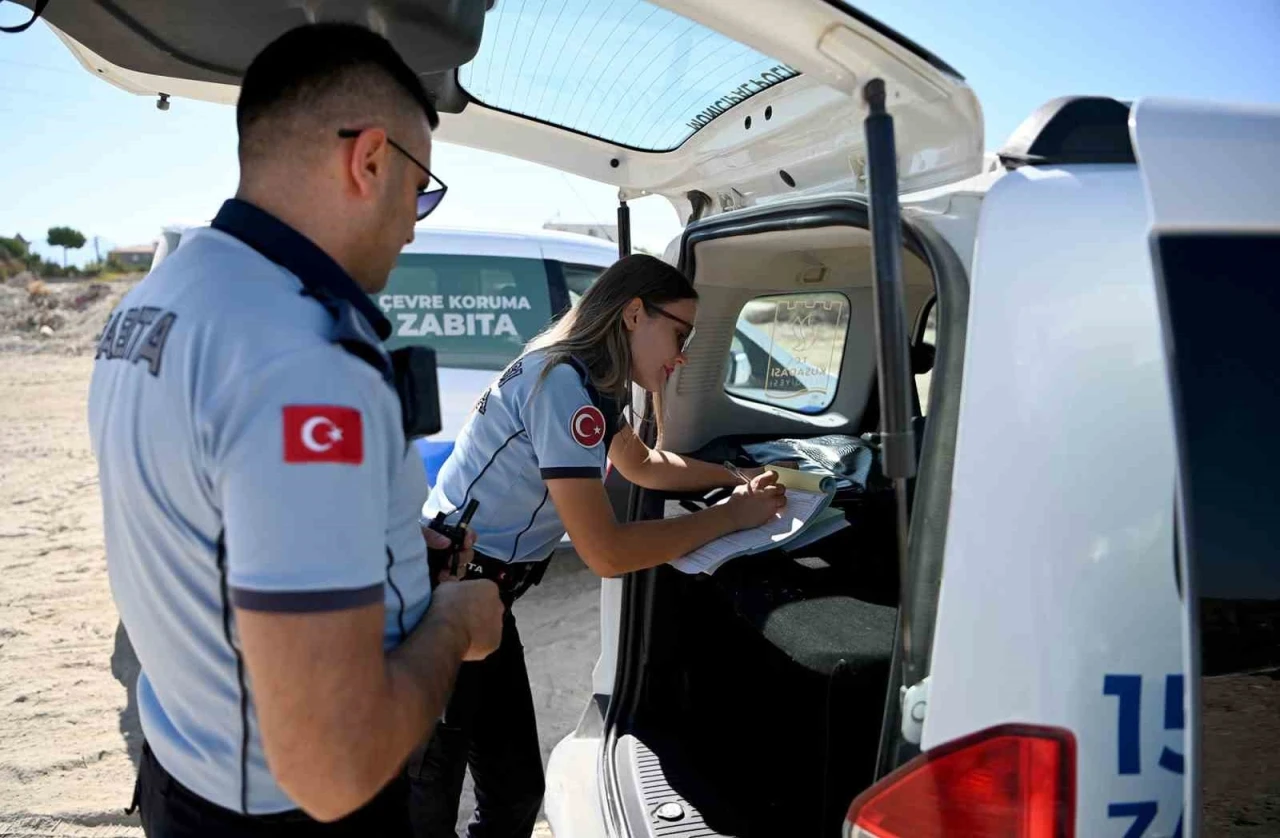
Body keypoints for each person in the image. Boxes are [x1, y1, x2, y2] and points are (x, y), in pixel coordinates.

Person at [86, 23, 503, 836]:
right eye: (420, 190)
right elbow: (333, 768)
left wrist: (374, 546)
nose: (413, 224)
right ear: (370, 160)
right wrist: (455, 625)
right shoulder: (304, 360)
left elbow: (209, 524)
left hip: (185, 771)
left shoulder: (161, 299)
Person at [409, 253, 787, 837]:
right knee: (427, 805)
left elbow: (643, 465)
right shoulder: (563, 383)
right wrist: (733, 516)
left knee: (514, 794)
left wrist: (736, 479)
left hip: (480, 595)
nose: (682, 354)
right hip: (449, 596)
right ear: (634, 313)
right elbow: (606, 552)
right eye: (679, 334)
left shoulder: (583, 376)